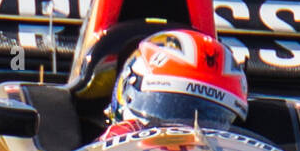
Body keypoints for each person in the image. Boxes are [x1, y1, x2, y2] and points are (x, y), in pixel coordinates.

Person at [101, 29, 248, 140]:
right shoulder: (112, 144)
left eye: (211, 118)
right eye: (169, 108)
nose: (189, 131)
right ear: (127, 91)